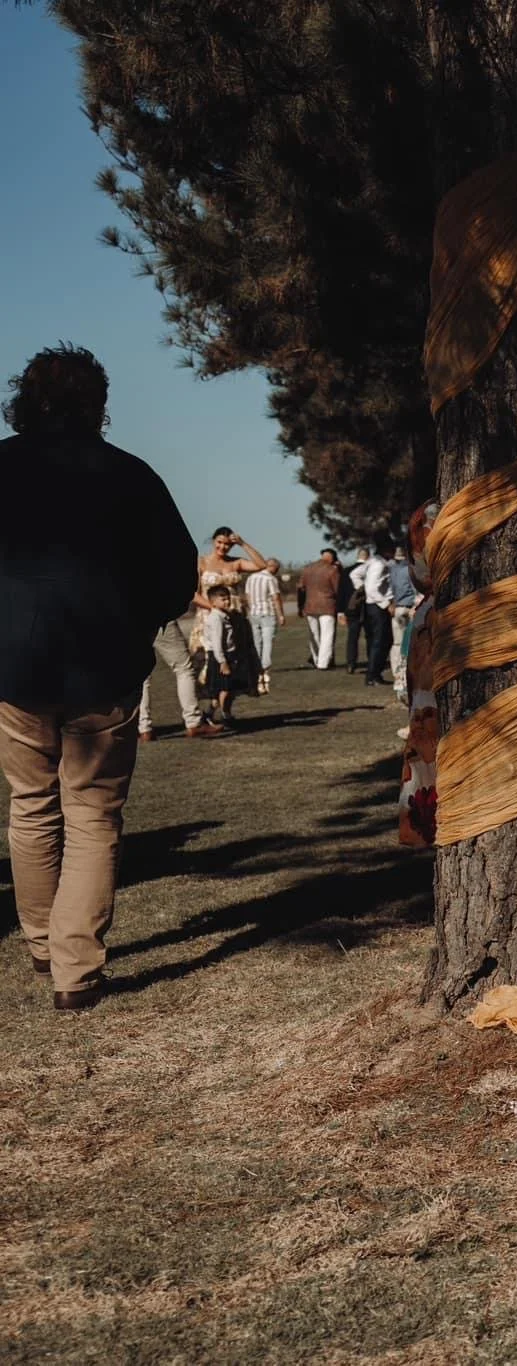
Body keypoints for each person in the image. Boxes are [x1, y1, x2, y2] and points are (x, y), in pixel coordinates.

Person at [0, 344, 197, 1008]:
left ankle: (39, 942)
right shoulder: (131, 475)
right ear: (98, 405)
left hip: (15, 668)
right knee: (91, 815)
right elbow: (176, 576)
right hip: (102, 668)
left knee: (30, 804)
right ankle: (74, 968)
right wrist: (131, 619)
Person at [398, 501, 441, 844]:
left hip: (430, 623)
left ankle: (429, 821)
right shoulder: (432, 515)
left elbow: (418, 572)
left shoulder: (425, 514)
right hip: (437, 627)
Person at [196, 583, 259, 726]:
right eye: (222, 599)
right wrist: (222, 662)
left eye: (227, 599)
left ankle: (211, 714)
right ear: (212, 602)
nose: (227, 602)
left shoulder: (224, 616)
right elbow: (217, 643)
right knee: (224, 688)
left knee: (226, 689)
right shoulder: (216, 619)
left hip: (228, 655)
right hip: (221, 657)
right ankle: (223, 714)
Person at [299, 547, 344, 669]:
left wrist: (300, 606)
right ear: (332, 558)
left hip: (309, 605)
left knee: (313, 635)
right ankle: (323, 663)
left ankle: (316, 658)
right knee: (327, 635)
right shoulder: (332, 570)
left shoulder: (307, 569)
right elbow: (338, 589)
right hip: (327, 605)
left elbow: (301, 588)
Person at [360, 537, 396, 688]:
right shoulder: (378, 564)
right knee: (379, 642)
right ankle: (372, 675)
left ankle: (377, 673)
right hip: (377, 606)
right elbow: (371, 588)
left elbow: (356, 574)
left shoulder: (373, 562)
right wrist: (386, 603)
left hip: (376, 605)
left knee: (385, 641)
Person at [245, 556, 284, 695]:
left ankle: (257, 673)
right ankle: (265, 672)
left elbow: (248, 596)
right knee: (267, 644)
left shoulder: (251, 578)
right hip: (268, 613)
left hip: (254, 613)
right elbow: (275, 598)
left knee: (256, 644)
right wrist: (280, 615)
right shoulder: (271, 579)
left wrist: (251, 609)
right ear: (273, 567)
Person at [388, 545, 419, 700]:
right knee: (409, 644)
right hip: (410, 608)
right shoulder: (411, 570)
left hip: (398, 608)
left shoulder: (393, 570)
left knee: (398, 643)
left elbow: (391, 589)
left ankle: (397, 674)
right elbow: (416, 590)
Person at [344, 547, 370, 671]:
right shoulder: (371, 569)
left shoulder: (346, 570)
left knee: (352, 637)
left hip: (352, 608)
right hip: (369, 606)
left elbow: (341, 593)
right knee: (371, 636)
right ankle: (372, 660)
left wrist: (340, 611)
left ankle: (351, 662)